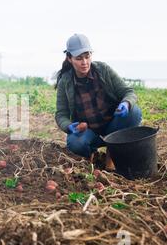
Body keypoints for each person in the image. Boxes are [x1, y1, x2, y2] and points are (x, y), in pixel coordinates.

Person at [54, 34, 142, 171]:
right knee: (75, 142)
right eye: (79, 58)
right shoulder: (65, 82)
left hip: (113, 126)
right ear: (70, 59)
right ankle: (92, 153)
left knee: (134, 112)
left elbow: (128, 92)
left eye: (87, 56)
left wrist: (126, 103)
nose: (84, 62)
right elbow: (61, 114)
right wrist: (69, 126)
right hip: (89, 131)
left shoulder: (103, 70)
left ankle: (111, 154)